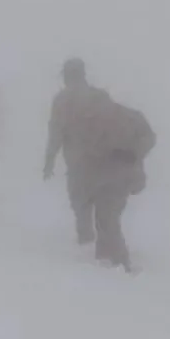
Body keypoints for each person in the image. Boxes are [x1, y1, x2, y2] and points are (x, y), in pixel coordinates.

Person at [43, 58, 156, 270]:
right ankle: (103, 256)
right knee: (106, 211)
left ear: (67, 76)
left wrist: (49, 159)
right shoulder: (100, 97)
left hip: (86, 165)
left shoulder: (63, 101)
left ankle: (105, 257)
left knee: (89, 209)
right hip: (113, 165)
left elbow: (56, 132)